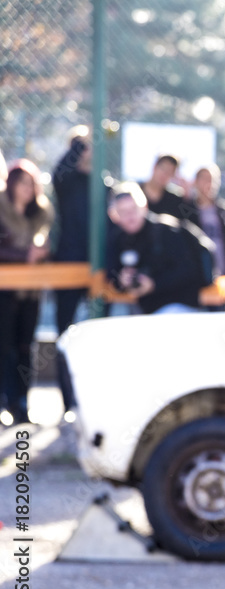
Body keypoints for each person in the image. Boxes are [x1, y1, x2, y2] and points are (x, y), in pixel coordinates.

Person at [51, 126, 104, 417]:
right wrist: (81, 144)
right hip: (69, 263)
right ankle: (67, 402)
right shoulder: (67, 181)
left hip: (98, 267)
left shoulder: (101, 183)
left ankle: (94, 400)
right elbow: (60, 169)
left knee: (99, 333)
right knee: (64, 334)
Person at [106, 182, 214, 315]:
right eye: (123, 211)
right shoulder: (118, 239)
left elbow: (189, 270)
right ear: (114, 215)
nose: (130, 216)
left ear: (144, 206)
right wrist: (122, 279)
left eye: (133, 209)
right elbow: (111, 273)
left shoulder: (166, 231)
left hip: (179, 307)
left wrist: (154, 284)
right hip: (145, 310)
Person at [0, 160, 52, 425]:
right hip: (4, 290)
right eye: (22, 183)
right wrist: (24, 255)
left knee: (24, 347)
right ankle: (3, 403)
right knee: (3, 346)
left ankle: (22, 403)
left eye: (31, 183)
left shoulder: (41, 214)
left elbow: (50, 245)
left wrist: (41, 254)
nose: (27, 189)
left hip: (30, 291)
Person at [189, 165, 225, 277]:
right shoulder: (187, 211)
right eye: (204, 178)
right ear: (196, 182)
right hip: (197, 275)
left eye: (212, 179)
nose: (209, 183)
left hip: (224, 275)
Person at [141, 154, 190, 223]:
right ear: (155, 167)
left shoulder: (175, 199)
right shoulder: (134, 192)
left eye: (169, 172)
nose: (164, 174)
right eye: (163, 169)